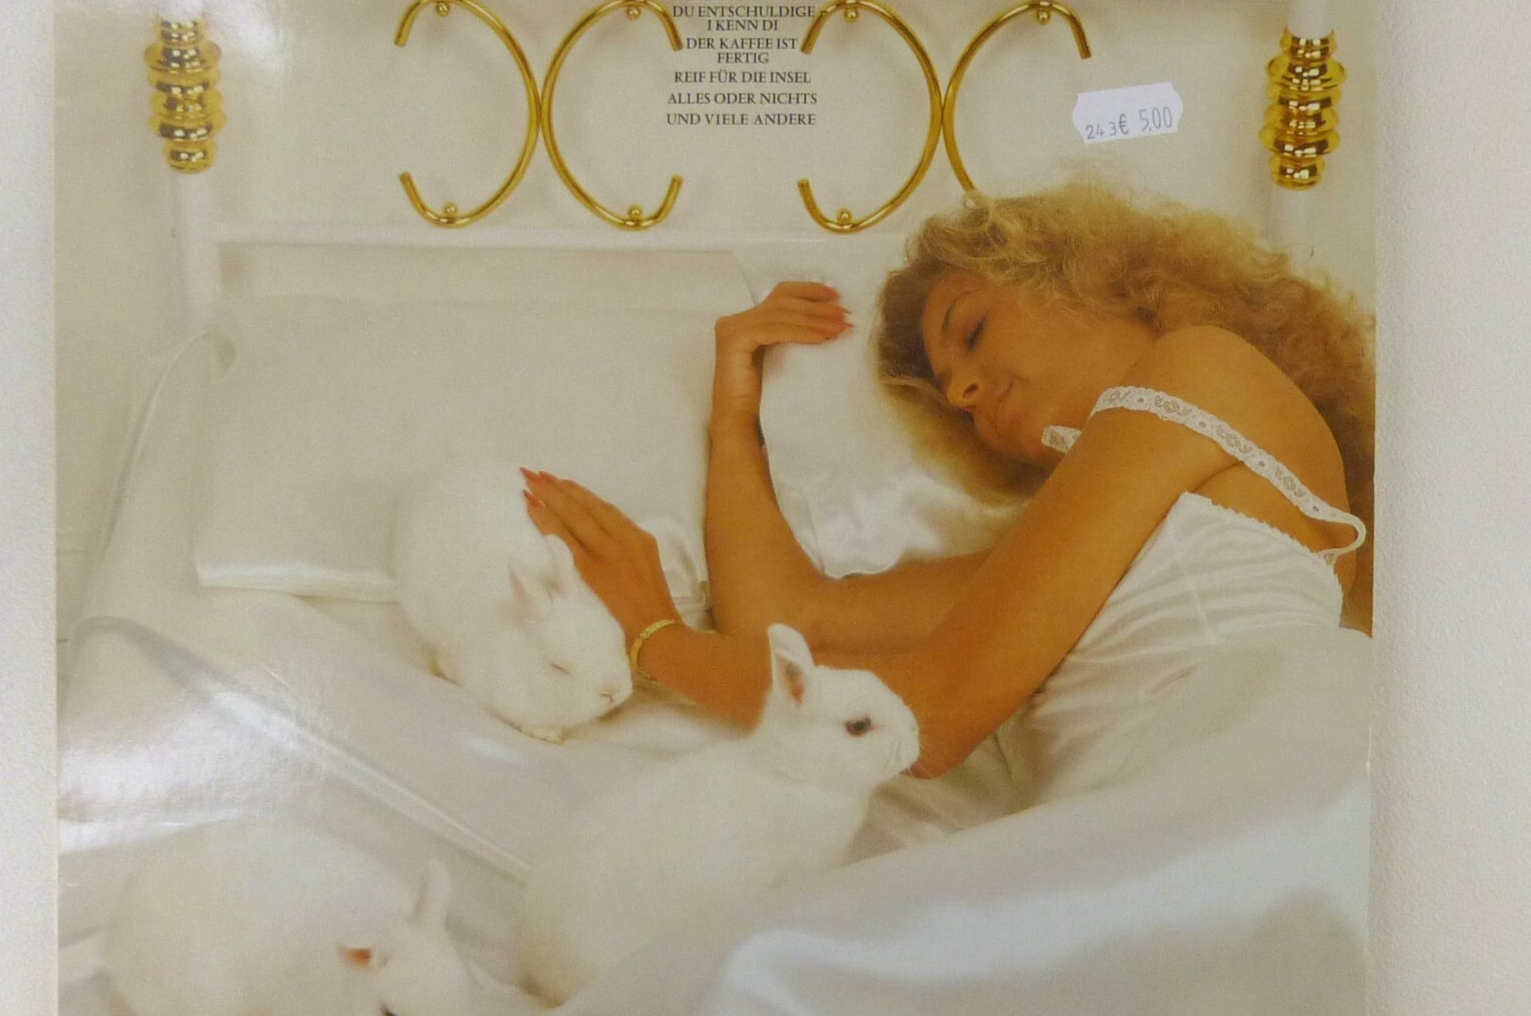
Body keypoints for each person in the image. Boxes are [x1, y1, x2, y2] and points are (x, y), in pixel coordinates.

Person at [522, 176, 1374, 789]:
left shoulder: (1207, 368)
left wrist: (658, 644)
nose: (963, 393)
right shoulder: (1070, 563)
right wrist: (736, 409)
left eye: (973, 330)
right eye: (950, 397)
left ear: (1092, 277)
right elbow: (788, 619)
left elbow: (929, 717)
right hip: (1135, 853)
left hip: (1234, 809)